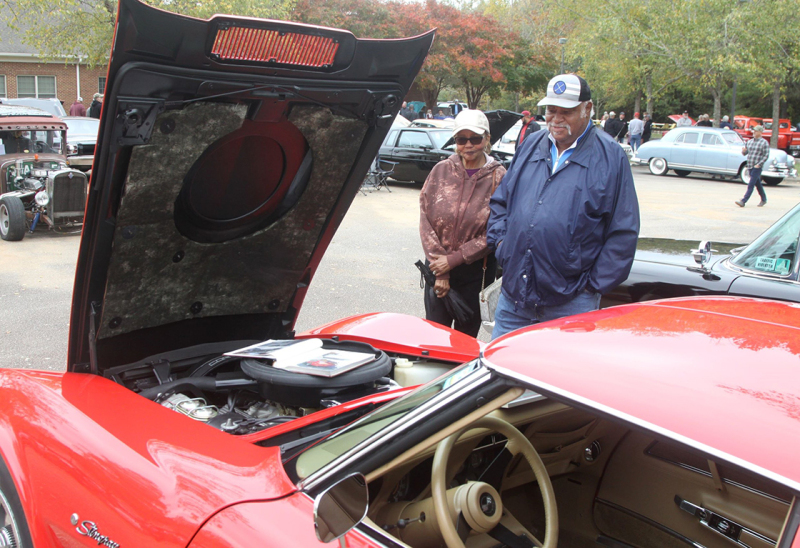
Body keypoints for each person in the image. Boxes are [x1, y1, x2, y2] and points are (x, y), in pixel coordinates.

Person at [486, 74, 640, 340]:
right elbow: (502, 201)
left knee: (556, 377)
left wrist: (592, 286)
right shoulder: (532, 144)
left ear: (587, 109)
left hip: (571, 304)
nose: (556, 119)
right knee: (503, 378)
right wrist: (503, 248)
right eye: (550, 110)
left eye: (566, 112)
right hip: (514, 300)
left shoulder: (610, 156)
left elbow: (623, 230)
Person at [419, 109, 505, 336]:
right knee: (435, 338)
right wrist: (442, 270)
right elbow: (426, 217)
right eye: (461, 139)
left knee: (464, 340)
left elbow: (497, 230)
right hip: (437, 271)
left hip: (475, 272)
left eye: (475, 139)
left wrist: (455, 259)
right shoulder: (441, 170)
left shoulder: (499, 177)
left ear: (487, 138)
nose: (468, 145)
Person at [735, 125, 769, 208]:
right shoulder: (749, 142)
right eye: (754, 131)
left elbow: (766, 155)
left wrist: (759, 164)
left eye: (756, 131)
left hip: (757, 167)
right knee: (758, 184)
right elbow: (745, 153)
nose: (754, 132)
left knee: (751, 184)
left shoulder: (764, 143)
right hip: (750, 165)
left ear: (760, 132)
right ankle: (764, 199)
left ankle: (743, 201)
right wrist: (743, 151)